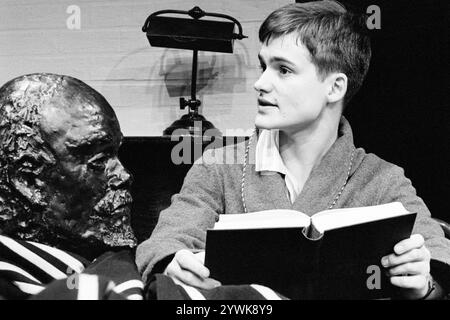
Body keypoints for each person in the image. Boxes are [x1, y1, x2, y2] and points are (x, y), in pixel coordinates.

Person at [136, 1, 450, 299]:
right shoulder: (218, 166)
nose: (260, 83)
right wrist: (173, 263)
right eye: (263, 66)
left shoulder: (384, 180)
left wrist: (424, 285)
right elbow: (166, 239)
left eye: (283, 70)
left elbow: (437, 256)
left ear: (334, 87)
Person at [0, 73, 142, 299]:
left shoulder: (129, 274)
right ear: (27, 182)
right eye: (98, 161)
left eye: (115, 154)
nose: (124, 175)